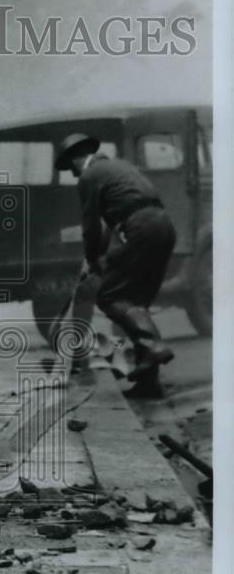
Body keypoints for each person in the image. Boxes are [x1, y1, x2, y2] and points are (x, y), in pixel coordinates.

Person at [54, 133, 177, 399]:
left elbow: (91, 226)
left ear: (76, 159)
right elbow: (110, 224)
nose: (73, 174)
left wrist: (90, 258)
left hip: (140, 228)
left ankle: (154, 346)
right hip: (163, 226)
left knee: (111, 297)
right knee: (136, 302)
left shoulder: (90, 176)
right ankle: (149, 383)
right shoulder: (120, 167)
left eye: (70, 168)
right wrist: (98, 260)